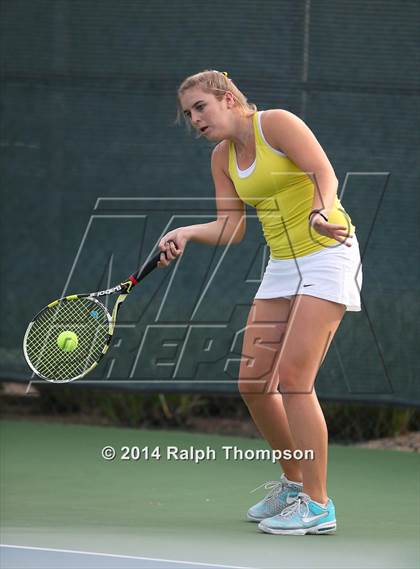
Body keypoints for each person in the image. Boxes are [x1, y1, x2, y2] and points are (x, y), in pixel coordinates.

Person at [157, 69, 362, 536]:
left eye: (200, 108)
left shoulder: (277, 124)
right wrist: (187, 232)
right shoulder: (221, 158)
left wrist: (319, 210)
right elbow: (232, 226)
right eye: (189, 113)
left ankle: (318, 502)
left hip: (329, 252)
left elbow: (323, 173)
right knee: (253, 382)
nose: (194, 119)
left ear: (228, 98)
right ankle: (294, 482)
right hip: (283, 263)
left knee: (293, 380)